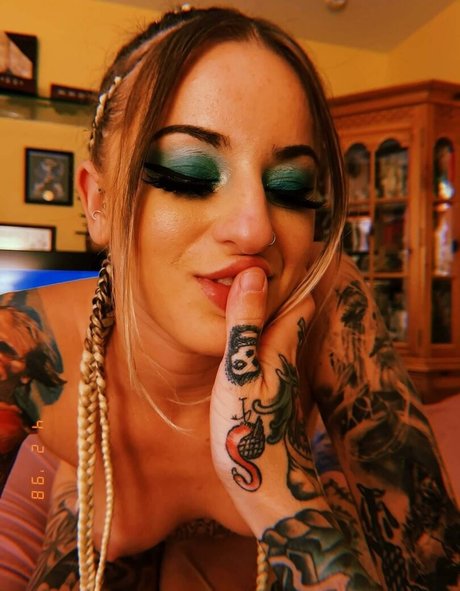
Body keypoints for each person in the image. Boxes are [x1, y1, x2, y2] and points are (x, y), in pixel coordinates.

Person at [0, 5, 458, 590]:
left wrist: (276, 490)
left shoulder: (327, 299)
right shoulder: (24, 345)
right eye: (190, 172)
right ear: (98, 202)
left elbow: (434, 568)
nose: (255, 228)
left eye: (291, 186)